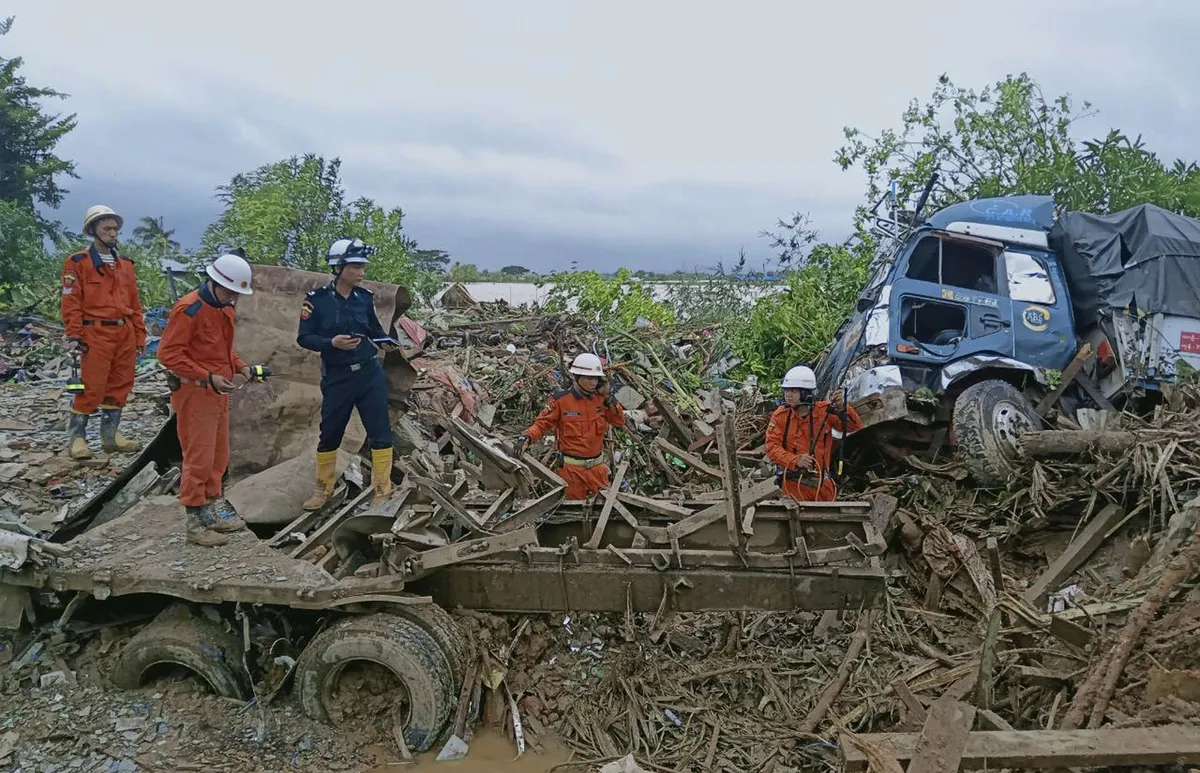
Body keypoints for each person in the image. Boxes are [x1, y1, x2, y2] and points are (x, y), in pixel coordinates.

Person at [158, 251, 260, 547]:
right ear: (214, 282)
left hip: (217, 392)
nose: (233, 298)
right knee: (199, 455)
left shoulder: (224, 309)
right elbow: (169, 354)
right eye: (230, 291)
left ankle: (212, 509)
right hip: (194, 392)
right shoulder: (187, 309)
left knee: (219, 454)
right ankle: (194, 520)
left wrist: (241, 366)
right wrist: (206, 375)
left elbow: (223, 351)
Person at [297, 238, 399, 510]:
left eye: (363, 266)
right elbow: (304, 338)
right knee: (330, 432)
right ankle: (323, 489)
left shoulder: (364, 299)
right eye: (355, 266)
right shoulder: (316, 301)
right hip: (338, 377)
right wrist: (331, 343)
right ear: (339, 268)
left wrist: (385, 341)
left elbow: (375, 331)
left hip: (369, 374)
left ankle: (382, 490)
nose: (362, 271)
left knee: (380, 432)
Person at [60, 205, 147, 460]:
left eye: (115, 228)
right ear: (93, 230)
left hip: (124, 332)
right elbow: (71, 301)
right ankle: (77, 438)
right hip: (94, 333)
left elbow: (135, 303)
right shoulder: (78, 263)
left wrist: (139, 335)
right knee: (90, 386)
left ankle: (110, 437)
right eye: (106, 228)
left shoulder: (125, 266)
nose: (112, 233)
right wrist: (74, 335)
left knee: (120, 385)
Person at [516, 352, 626, 500]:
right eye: (589, 378)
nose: (593, 382)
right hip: (571, 473)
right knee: (571, 514)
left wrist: (609, 397)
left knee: (601, 513)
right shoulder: (561, 401)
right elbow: (541, 424)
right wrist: (527, 437)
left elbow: (619, 421)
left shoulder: (602, 401)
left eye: (596, 378)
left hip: (598, 472)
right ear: (577, 377)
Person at [764, 365, 862, 502]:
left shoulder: (825, 412)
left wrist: (843, 407)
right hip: (793, 486)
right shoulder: (780, 416)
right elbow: (771, 447)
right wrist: (795, 460)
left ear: (806, 393)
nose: (788, 394)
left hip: (822, 485)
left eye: (793, 390)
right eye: (786, 390)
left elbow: (853, 426)